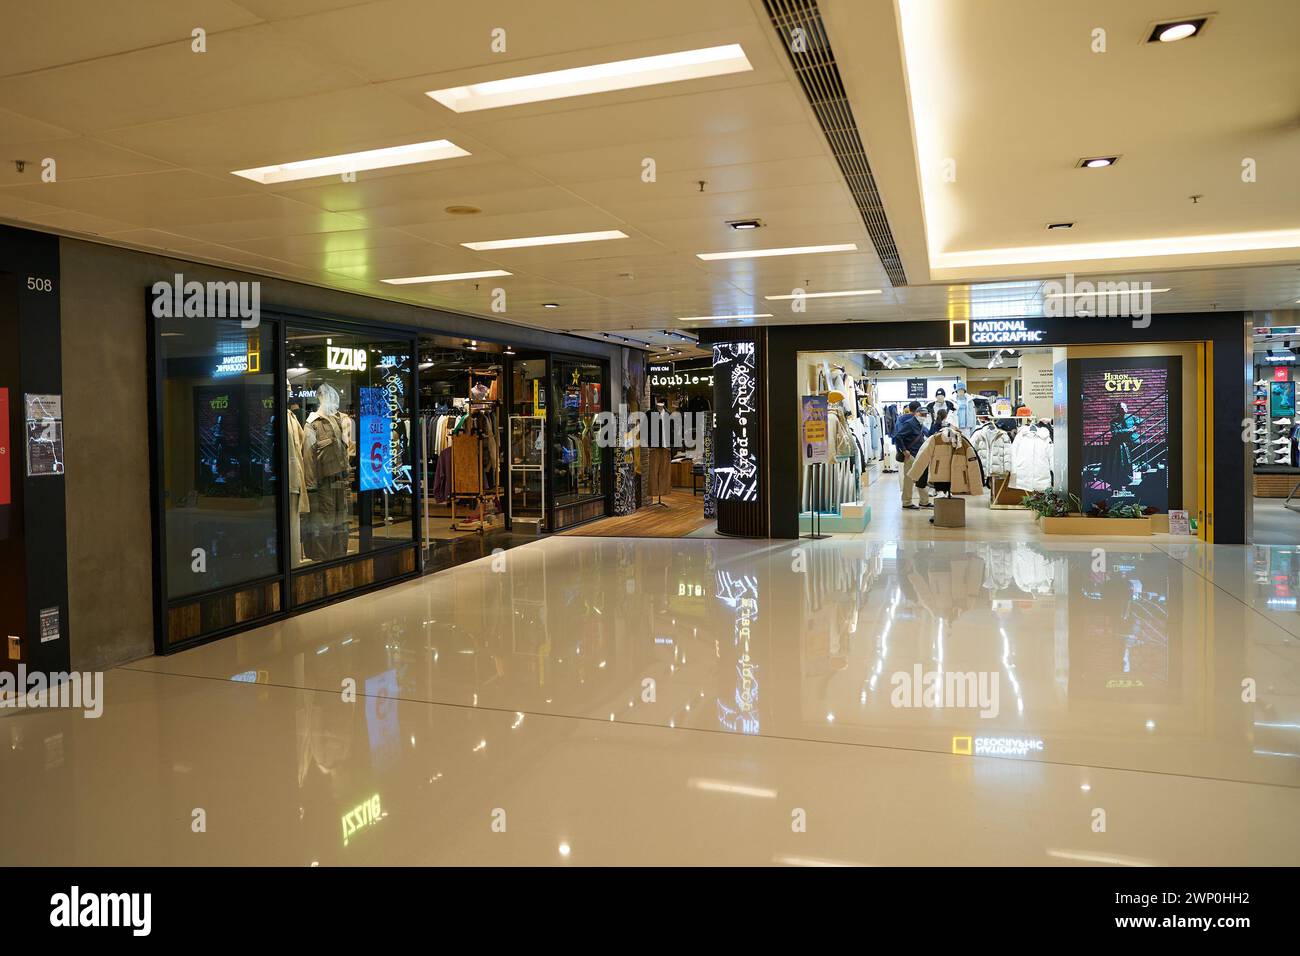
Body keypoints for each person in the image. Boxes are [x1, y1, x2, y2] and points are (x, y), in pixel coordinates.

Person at [892, 400, 930, 509]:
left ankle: (924, 501)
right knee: (909, 479)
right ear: (916, 413)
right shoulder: (909, 423)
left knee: (921, 478)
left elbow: (928, 433)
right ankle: (907, 502)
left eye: (925, 415)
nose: (924, 416)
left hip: (919, 454)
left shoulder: (919, 424)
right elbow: (898, 436)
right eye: (922, 414)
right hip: (911, 455)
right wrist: (904, 451)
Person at [1103, 401, 1144, 490]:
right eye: (1121, 408)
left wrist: (1136, 426)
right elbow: (1115, 433)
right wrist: (1128, 430)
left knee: (1134, 463)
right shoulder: (1114, 421)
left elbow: (1141, 420)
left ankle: (1130, 480)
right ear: (1117, 410)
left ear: (1127, 409)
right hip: (1121, 445)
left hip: (1133, 444)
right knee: (1123, 464)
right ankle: (1122, 483)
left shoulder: (1131, 417)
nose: (1123, 409)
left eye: (1124, 408)